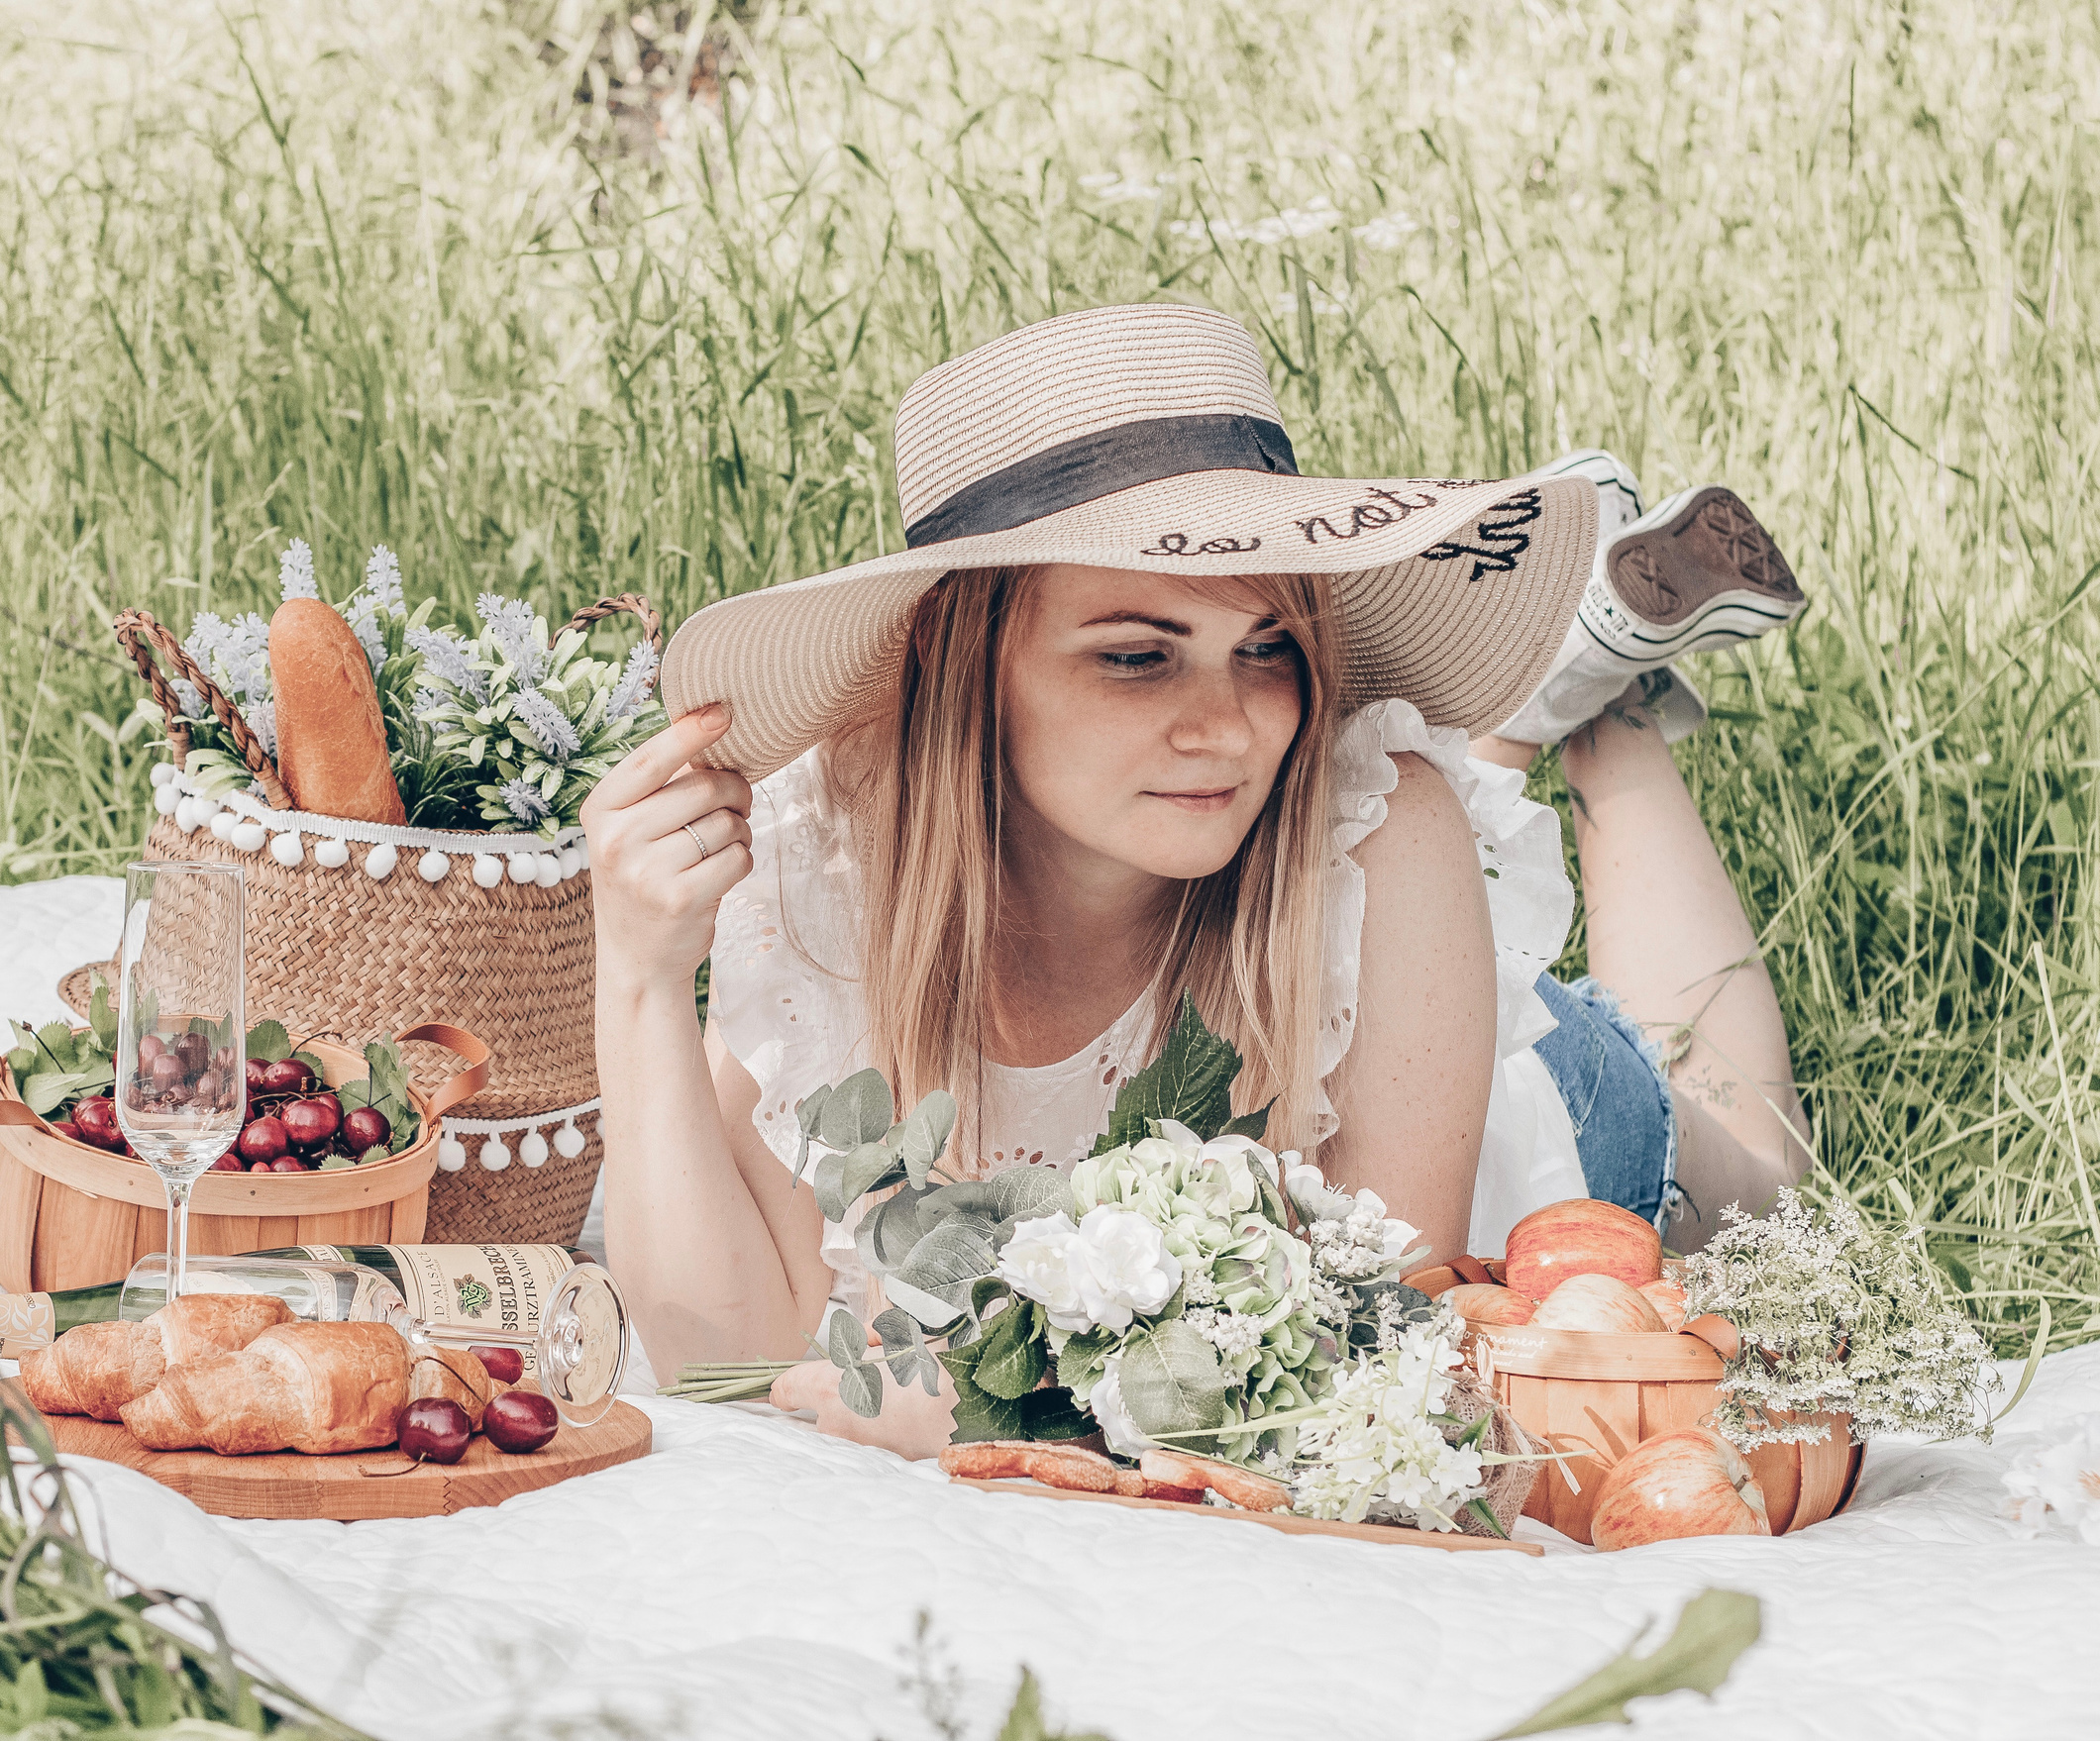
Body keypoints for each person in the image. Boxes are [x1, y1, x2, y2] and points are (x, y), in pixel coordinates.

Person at [583, 303, 1810, 1458]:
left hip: (1527, 1119)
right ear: (962, 661)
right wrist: (638, 972)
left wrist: (973, 1411)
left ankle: (1610, 709)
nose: (1228, 728)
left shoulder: (1379, 838)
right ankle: (1551, 688)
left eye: (1267, 648)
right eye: (1136, 658)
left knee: (1761, 1175)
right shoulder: (830, 856)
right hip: (1388, 984)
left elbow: (1359, 1354)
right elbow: (715, 1361)